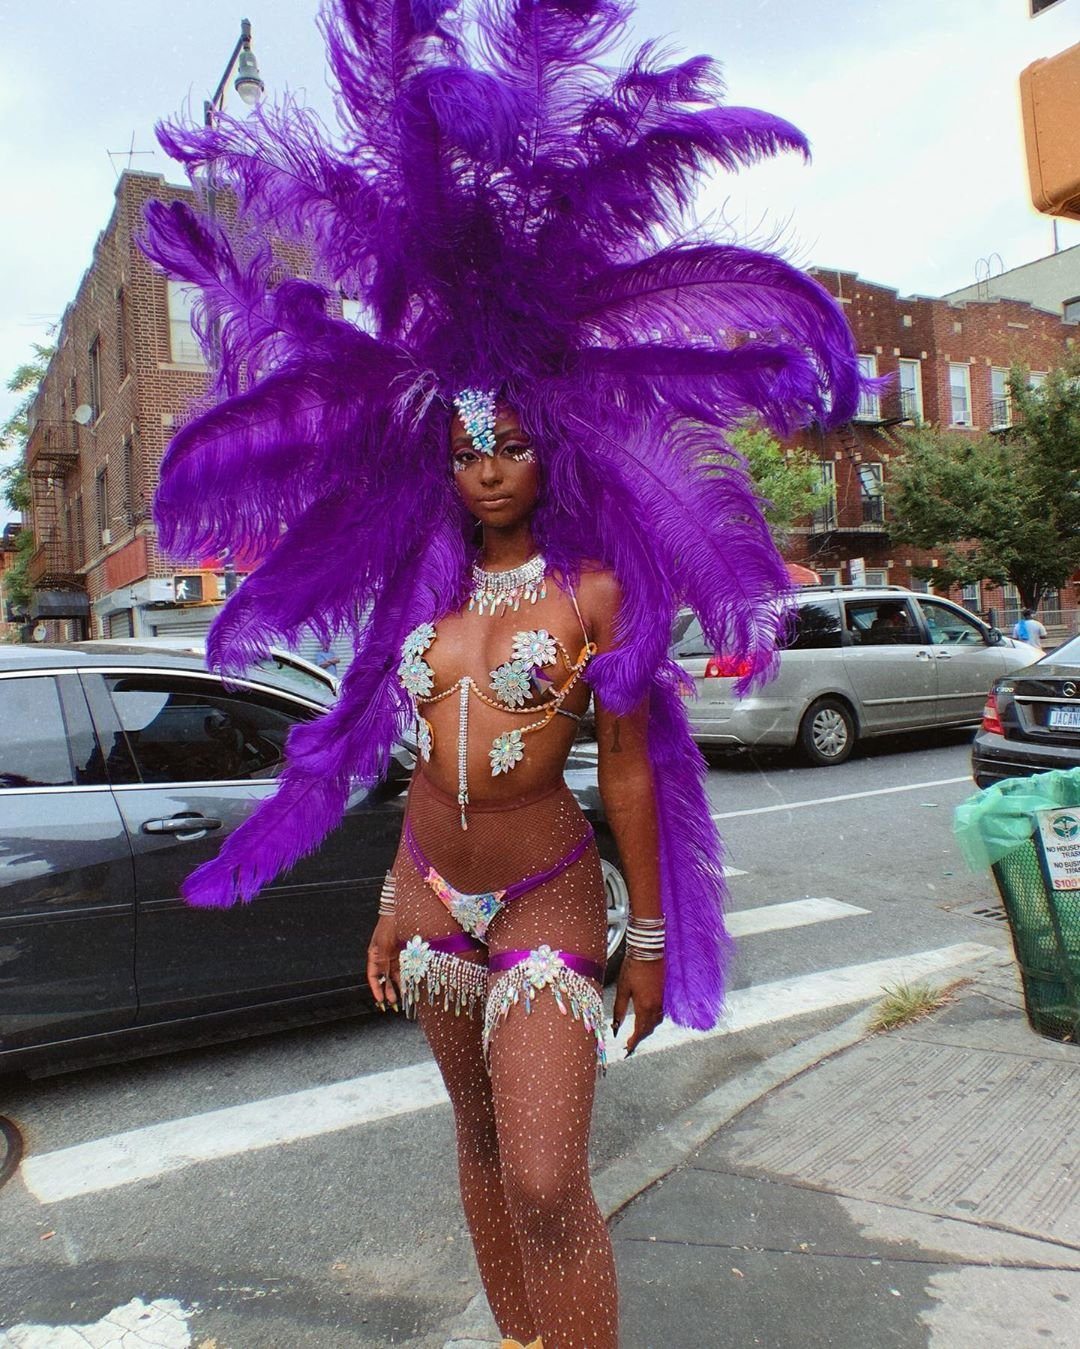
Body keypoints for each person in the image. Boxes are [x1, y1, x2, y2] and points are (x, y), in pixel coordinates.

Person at [141, 3, 868, 1344]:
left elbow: (637, 761)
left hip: (543, 899)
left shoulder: (593, 588)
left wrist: (650, 931)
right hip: (425, 895)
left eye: (510, 443)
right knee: (476, 1147)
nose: (485, 464)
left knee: (546, 1172)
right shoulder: (424, 583)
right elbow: (410, 748)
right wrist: (383, 899)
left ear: (553, 441)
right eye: (466, 444)